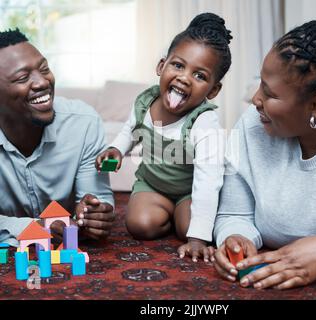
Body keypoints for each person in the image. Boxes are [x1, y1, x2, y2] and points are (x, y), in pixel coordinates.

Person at [213, 15, 316, 289]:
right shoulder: (252, 124)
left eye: (270, 94)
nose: (255, 100)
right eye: (260, 83)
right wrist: (235, 236)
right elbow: (233, 214)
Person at [95, 13, 232, 262]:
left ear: (213, 90)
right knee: (140, 226)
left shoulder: (204, 122)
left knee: (190, 229)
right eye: (178, 65)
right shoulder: (145, 103)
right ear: (161, 66)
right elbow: (129, 131)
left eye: (199, 75)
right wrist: (116, 149)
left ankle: (179, 215)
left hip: (190, 191)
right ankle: (163, 212)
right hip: (152, 185)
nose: (184, 77)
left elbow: (208, 180)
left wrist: (197, 238)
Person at [0, 29, 115, 246]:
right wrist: (32, 227)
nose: (42, 82)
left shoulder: (84, 123)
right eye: (23, 77)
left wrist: (94, 215)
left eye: (44, 69)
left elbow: (97, 197)